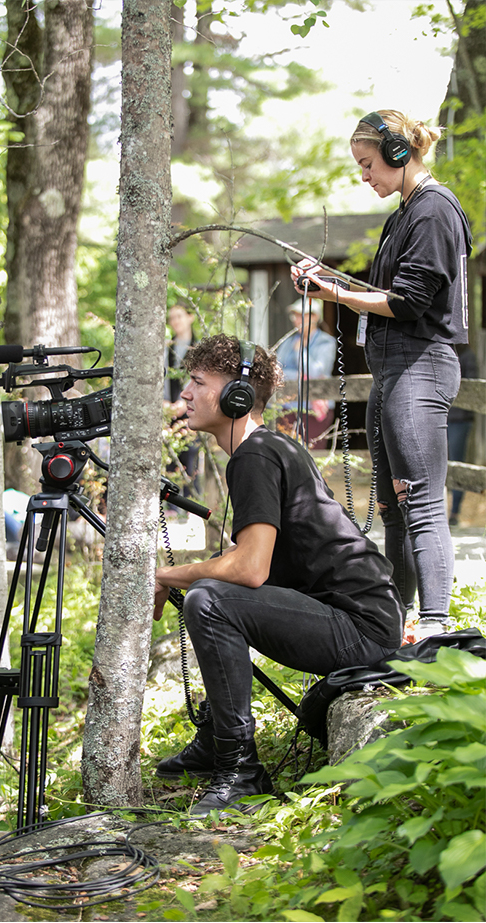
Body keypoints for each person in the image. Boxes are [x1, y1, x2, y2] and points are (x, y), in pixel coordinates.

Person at [154, 334, 404, 815]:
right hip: (359, 618)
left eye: (198, 382)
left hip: (360, 628)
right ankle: (215, 739)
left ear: (237, 397)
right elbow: (258, 566)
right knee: (209, 590)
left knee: (207, 597)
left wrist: (167, 574)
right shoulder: (267, 449)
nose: (185, 393)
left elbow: (248, 570)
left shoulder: (256, 455)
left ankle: (239, 770)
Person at [291, 110, 472, 635]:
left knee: (421, 502)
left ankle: (434, 625)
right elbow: (390, 291)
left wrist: (334, 294)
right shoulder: (404, 212)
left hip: (421, 368)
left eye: (368, 163)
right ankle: (395, 623)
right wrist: (327, 281)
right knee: (393, 509)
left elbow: (411, 302)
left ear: (398, 152)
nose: (364, 175)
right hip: (394, 372)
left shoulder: (434, 210)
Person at [276, 298, 336, 446]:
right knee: (287, 451)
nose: (298, 320)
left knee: (313, 453)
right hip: (289, 407)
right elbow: (276, 370)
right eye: (295, 315)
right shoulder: (288, 342)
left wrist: (300, 351)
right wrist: (299, 376)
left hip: (315, 410)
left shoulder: (326, 342)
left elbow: (316, 372)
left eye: (303, 315)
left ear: (315, 317)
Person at [164, 303, 199, 500]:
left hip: (191, 408)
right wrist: (166, 403)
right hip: (169, 410)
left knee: (190, 454)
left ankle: (192, 500)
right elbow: (162, 378)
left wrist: (183, 403)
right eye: (172, 318)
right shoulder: (166, 348)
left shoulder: (198, 346)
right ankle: (171, 505)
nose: (176, 321)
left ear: (190, 317)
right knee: (170, 457)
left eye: (179, 316)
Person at [448, 344, 477, 526]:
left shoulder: (467, 355)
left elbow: (471, 388)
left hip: (459, 418)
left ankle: (454, 512)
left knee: (457, 463)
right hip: (441, 417)